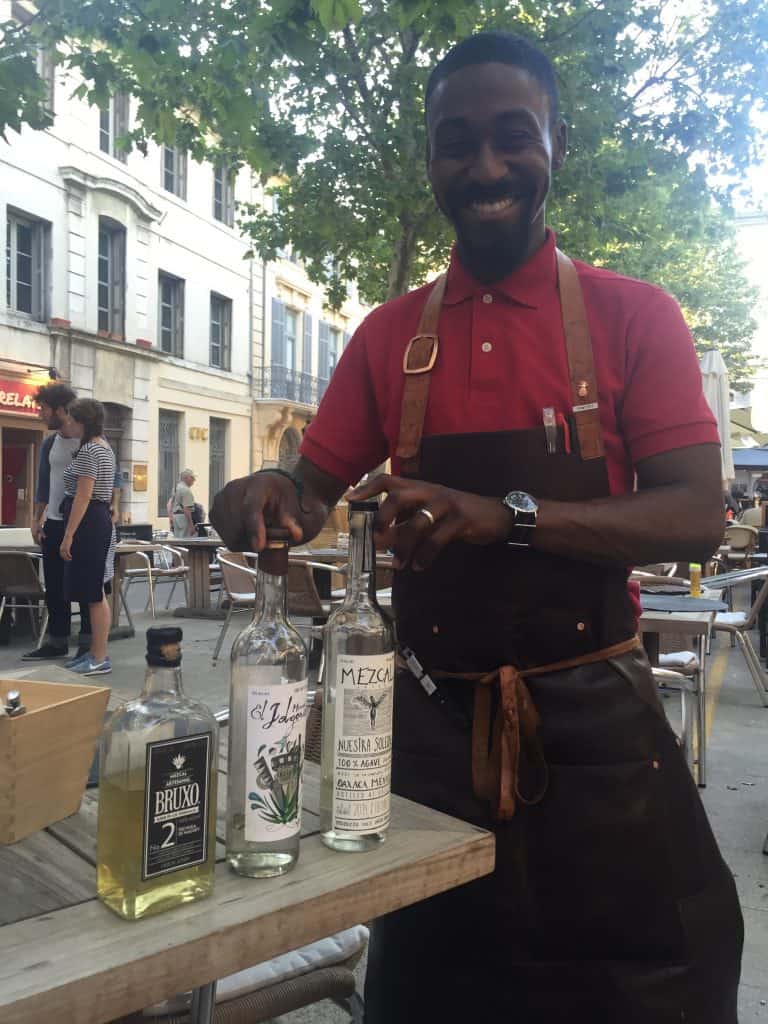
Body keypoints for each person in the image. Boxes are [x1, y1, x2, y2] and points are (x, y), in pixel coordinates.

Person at [210, 32, 742, 1023]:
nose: (486, 167)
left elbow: (697, 515)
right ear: (431, 161)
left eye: (513, 136)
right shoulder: (386, 338)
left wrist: (508, 517)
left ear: (558, 145)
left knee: (656, 982)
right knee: (430, 991)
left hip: (599, 739)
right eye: (457, 143)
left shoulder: (637, 318)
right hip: (426, 742)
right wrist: (261, 497)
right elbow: (311, 488)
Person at [24, 382, 92, 662]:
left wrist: (112, 509)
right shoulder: (50, 443)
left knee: (86, 586)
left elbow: (109, 480)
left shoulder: (89, 440)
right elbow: (44, 483)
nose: (41, 414)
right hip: (53, 522)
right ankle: (57, 641)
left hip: (82, 523)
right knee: (54, 586)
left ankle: (88, 643)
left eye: (44, 409)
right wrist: (36, 518)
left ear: (62, 410)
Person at [59, 398, 116, 676]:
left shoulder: (90, 451)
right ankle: (95, 653)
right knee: (95, 591)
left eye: (71, 418)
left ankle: (100, 656)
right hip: (97, 519)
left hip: (89, 523)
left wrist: (68, 535)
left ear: (82, 421)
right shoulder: (104, 447)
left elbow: (83, 495)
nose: (67, 423)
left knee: (94, 593)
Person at [168, 469, 196, 538]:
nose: (194, 480)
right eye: (192, 477)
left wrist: (171, 517)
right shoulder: (186, 490)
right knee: (186, 541)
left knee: (178, 540)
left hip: (176, 517)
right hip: (183, 517)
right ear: (186, 478)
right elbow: (187, 509)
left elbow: (170, 504)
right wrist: (191, 525)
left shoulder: (176, 488)